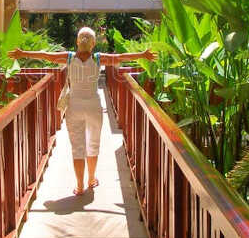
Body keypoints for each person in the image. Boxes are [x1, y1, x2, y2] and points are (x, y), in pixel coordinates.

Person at [14, 28, 151, 195]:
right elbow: (120, 57)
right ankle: (91, 179)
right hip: (93, 105)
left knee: (77, 147)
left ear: (77, 41)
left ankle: (79, 187)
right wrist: (143, 54)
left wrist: (22, 53)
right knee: (93, 143)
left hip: (74, 106)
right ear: (93, 43)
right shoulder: (98, 58)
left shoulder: (69, 58)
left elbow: (45, 56)